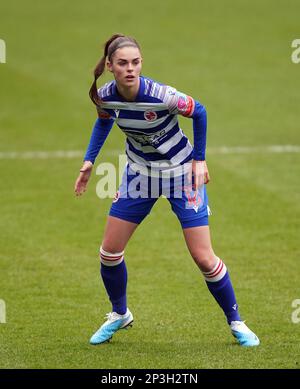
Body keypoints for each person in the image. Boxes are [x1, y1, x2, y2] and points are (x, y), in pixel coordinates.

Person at [74, 34, 260, 347]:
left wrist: (199, 160)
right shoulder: (105, 96)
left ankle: (237, 322)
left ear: (141, 63)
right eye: (122, 63)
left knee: (203, 257)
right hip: (139, 177)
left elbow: (199, 111)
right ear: (109, 66)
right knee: (109, 253)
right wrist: (89, 160)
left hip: (181, 175)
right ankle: (120, 314)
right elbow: (104, 120)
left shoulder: (162, 95)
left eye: (135, 62)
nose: (130, 69)